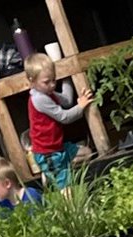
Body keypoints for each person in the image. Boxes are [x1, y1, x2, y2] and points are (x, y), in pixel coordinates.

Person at [24, 52, 94, 192]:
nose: (52, 85)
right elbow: (64, 117)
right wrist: (80, 106)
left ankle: (51, 174)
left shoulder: (48, 93)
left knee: (87, 153)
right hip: (48, 153)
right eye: (46, 82)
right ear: (32, 81)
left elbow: (67, 100)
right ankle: (53, 176)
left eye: (54, 80)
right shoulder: (39, 99)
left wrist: (67, 76)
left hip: (58, 147)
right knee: (66, 189)